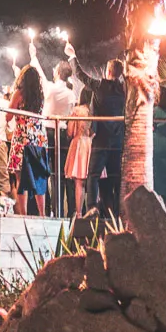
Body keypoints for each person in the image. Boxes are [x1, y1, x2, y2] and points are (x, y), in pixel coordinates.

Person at [65, 43, 126, 216]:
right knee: (114, 177)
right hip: (117, 141)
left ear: (107, 71)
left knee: (93, 175)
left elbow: (79, 74)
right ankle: (114, 210)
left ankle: (92, 208)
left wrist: (72, 55)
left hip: (100, 140)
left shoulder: (99, 86)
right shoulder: (124, 89)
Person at [25, 43, 77, 216]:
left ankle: (47, 210)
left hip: (47, 133)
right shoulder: (71, 94)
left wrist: (33, 55)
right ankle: (61, 210)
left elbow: (38, 72)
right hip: (62, 134)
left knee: (45, 172)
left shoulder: (50, 88)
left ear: (57, 73)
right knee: (59, 174)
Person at [8, 65, 50, 216]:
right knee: (38, 176)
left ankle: (23, 214)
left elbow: (8, 115)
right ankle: (42, 213)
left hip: (22, 137)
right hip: (38, 138)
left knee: (21, 178)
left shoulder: (19, 93)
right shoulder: (40, 95)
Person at [64, 87, 95, 218]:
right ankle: (94, 212)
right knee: (93, 181)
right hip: (90, 143)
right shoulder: (93, 112)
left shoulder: (77, 111)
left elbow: (70, 131)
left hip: (78, 145)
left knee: (79, 183)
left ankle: (79, 214)